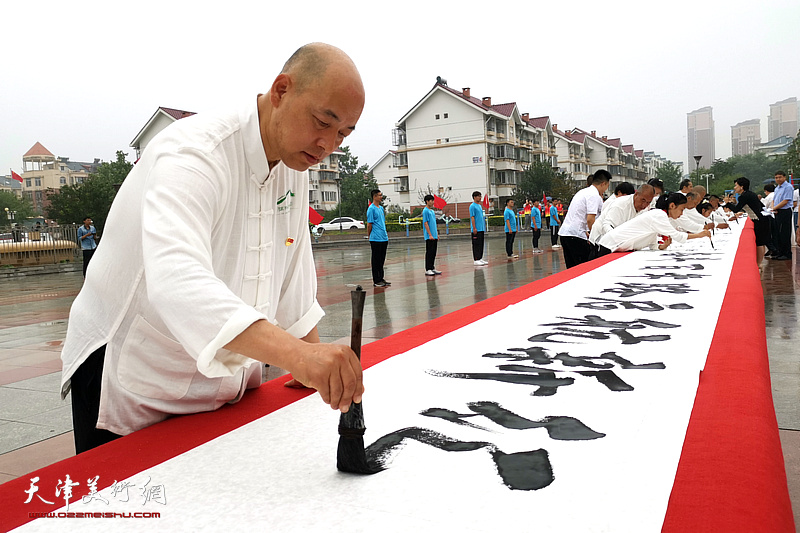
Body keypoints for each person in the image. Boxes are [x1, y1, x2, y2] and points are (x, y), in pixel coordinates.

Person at [60, 43, 366, 453]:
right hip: (131, 367)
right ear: (281, 90)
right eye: (322, 122)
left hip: (219, 381)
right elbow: (177, 279)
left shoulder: (295, 165)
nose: (327, 144)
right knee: (137, 506)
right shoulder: (195, 153)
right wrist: (297, 355)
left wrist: (315, 361)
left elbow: (294, 268)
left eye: (343, 133)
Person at [597, 192, 711, 254]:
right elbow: (678, 236)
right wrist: (700, 234)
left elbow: (651, 242)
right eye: (681, 210)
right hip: (608, 246)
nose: (681, 214)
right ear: (672, 206)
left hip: (615, 246)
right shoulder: (659, 215)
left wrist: (661, 247)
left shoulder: (659, 215)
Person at [558, 170, 610, 268]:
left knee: (572, 269)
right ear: (603, 184)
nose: (606, 190)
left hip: (566, 234)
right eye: (607, 186)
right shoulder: (594, 195)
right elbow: (590, 219)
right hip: (575, 236)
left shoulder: (583, 192)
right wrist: (594, 237)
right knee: (583, 268)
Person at [589, 184, 655, 247]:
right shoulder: (620, 204)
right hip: (600, 239)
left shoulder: (645, 209)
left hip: (620, 243)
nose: (644, 205)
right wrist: (617, 239)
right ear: (636, 195)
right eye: (643, 200)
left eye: (648, 202)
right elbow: (606, 225)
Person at [727, 177, 771, 266]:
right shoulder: (750, 194)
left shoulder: (744, 196)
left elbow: (736, 209)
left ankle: (758, 264)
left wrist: (727, 203)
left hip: (759, 220)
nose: (734, 188)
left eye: (736, 185)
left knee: (759, 242)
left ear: (742, 187)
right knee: (760, 242)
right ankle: (759, 263)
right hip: (762, 218)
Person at [367, 189, 391, 286]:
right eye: (379, 195)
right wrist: (370, 235)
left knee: (381, 259)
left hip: (383, 237)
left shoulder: (381, 208)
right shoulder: (371, 209)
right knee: (376, 260)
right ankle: (376, 280)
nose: (381, 197)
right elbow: (369, 224)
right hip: (375, 238)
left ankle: (381, 278)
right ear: (374, 197)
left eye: (381, 195)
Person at [771, 171, 793, 260]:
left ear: (784, 177)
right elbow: (774, 200)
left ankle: (787, 253)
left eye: (780, 177)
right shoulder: (777, 188)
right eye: (776, 178)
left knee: (785, 232)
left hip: (785, 211)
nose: (778, 179)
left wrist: (775, 208)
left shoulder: (788, 187)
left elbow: (785, 201)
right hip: (777, 212)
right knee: (777, 233)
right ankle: (780, 252)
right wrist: (773, 208)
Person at [422, 194, 441, 276]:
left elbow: (434, 224)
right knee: (429, 252)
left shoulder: (432, 211)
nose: (433, 202)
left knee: (433, 252)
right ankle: (428, 268)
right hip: (429, 236)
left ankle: (432, 267)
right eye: (431, 201)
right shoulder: (425, 211)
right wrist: (429, 234)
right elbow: (425, 223)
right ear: (427, 201)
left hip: (434, 235)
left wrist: (436, 234)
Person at [470, 191, 487, 266]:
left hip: (481, 228)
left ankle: (480, 258)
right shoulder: (472, 206)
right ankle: (476, 259)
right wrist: (474, 228)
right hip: (476, 228)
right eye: (478, 196)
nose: (480, 198)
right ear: (474, 197)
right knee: (476, 244)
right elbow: (472, 217)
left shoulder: (479, 206)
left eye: (480, 196)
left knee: (481, 244)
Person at [762, 183, 778, 257]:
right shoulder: (777, 194)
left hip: (770, 216)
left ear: (766, 191)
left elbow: (764, 207)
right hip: (777, 215)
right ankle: (775, 249)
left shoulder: (768, 197)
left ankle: (773, 249)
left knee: (769, 234)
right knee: (775, 233)